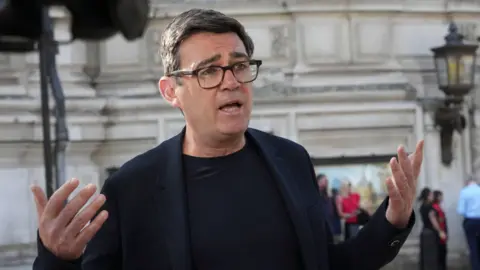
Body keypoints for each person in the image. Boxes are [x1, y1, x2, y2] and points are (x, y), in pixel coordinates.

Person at [30, 8, 425, 270]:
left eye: (239, 66)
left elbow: (329, 263)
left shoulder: (291, 159)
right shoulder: (132, 187)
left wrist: (393, 219)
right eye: (208, 71)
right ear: (171, 91)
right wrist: (56, 259)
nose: (231, 82)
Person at [418, 187, 446, 270]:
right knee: (432, 256)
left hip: (424, 232)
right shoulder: (429, 207)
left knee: (425, 256)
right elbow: (433, 220)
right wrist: (440, 231)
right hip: (431, 234)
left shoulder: (422, 206)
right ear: (427, 196)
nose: (432, 196)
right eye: (430, 195)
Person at [457, 175, 480, 270]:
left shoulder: (464, 191)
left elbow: (460, 210)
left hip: (470, 221)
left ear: (468, 182)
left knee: (473, 246)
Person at [316, 174, 341, 242]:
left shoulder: (328, 193)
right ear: (319, 181)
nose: (327, 182)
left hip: (330, 223)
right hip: (321, 223)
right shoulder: (316, 193)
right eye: (325, 180)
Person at [432, 190, 448, 270]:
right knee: (441, 252)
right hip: (440, 233)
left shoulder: (438, 206)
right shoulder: (435, 207)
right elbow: (438, 220)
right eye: (441, 196)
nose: (442, 198)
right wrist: (441, 231)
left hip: (442, 231)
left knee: (443, 252)